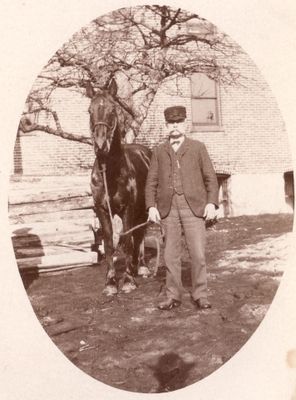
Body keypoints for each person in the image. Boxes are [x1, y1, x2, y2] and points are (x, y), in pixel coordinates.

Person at [145, 105, 219, 311]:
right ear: (166, 126)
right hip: (168, 209)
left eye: (178, 122)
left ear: (184, 124)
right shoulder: (159, 151)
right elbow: (151, 182)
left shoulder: (197, 147)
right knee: (170, 256)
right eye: (171, 123)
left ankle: (200, 294)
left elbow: (210, 178)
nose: (175, 127)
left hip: (193, 207)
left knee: (198, 254)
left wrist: (212, 203)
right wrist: (151, 206)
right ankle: (173, 296)